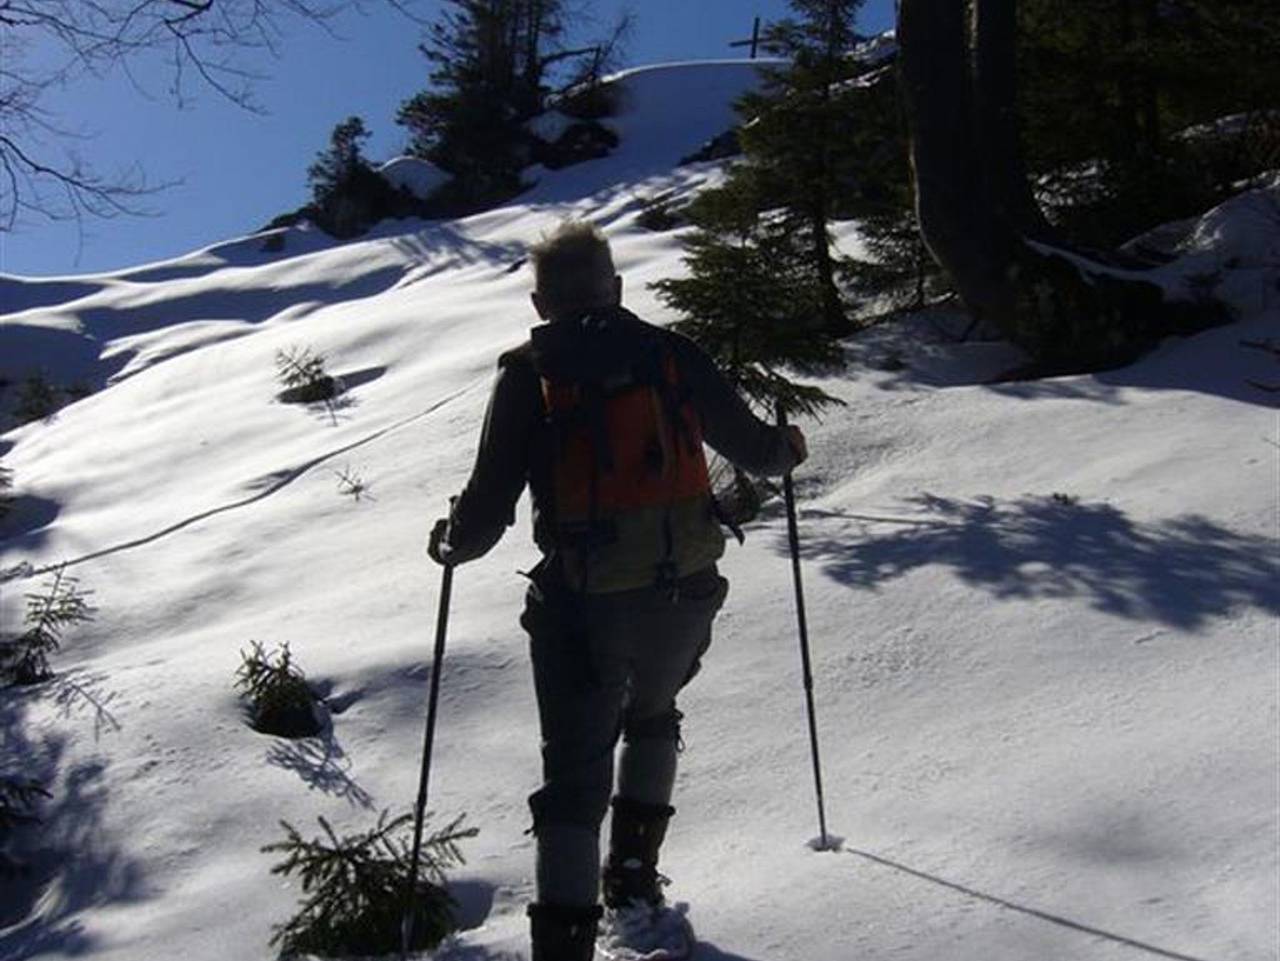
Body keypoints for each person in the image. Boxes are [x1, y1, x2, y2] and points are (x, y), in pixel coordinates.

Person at [427, 220, 806, 961]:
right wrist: (788, 446)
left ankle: (564, 946)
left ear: (541, 303)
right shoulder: (672, 354)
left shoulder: (528, 374)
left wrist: (449, 541)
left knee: (573, 778)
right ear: (618, 288)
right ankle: (633, 876)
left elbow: (485, 512)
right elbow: (761, 454)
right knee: (655, 711)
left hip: (582, 604)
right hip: (685, 589)